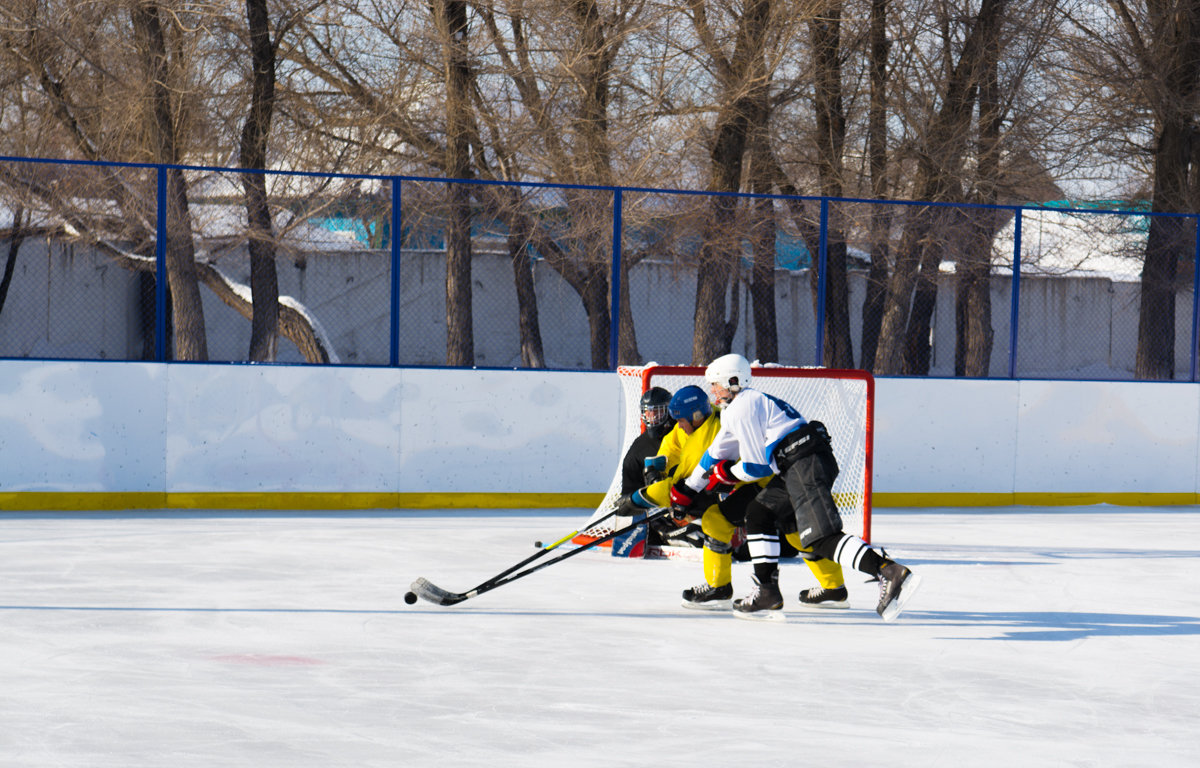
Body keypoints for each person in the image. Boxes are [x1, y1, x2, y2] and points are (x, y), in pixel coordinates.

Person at [670, 353, 920, 621]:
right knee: (759, 513)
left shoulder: (743, 405)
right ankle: (767, 591)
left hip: (802, 462)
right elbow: (715, 454)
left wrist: (727, 473)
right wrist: (687, 490)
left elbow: (756, 467)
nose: (713, 391)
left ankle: (888, 571)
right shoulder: (739, 407)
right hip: (795, 464)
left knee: (820, 538)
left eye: (716, 385)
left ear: (733, 381)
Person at [621, 385, 850, 611]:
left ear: (696, 416)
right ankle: (834, 587)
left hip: (763, 482)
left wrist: (639, 500)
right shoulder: (701, 419)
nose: (678, 425)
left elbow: (682, 484)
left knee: (715, 520)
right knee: (794, 534)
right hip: (776, 476)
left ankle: (718, 588)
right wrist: (656, 466)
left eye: (681, 420)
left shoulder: (707, 435)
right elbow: (672, 445)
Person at [620, 387, 673, 495]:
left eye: (658, 411)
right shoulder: (639, 449)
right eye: (648, 411)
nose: (652, 416)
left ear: (669, 411)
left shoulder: (683, 431)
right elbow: (630, 491)